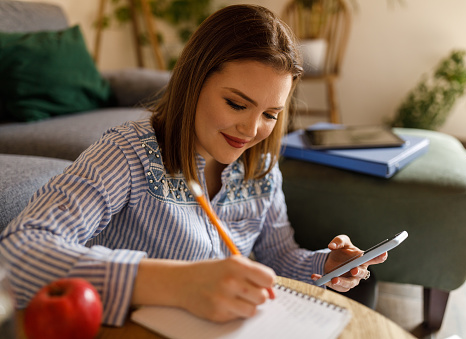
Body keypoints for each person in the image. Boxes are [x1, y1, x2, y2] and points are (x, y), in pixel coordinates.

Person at [0, 4, 387, 326]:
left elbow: (279, 257)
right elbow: (17, 253)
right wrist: (175, 283)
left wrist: (328, 263)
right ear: (194, 81)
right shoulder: (128, 153)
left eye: (270, 114)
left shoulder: (263, 168)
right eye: (236, 104)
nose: (251, 130)